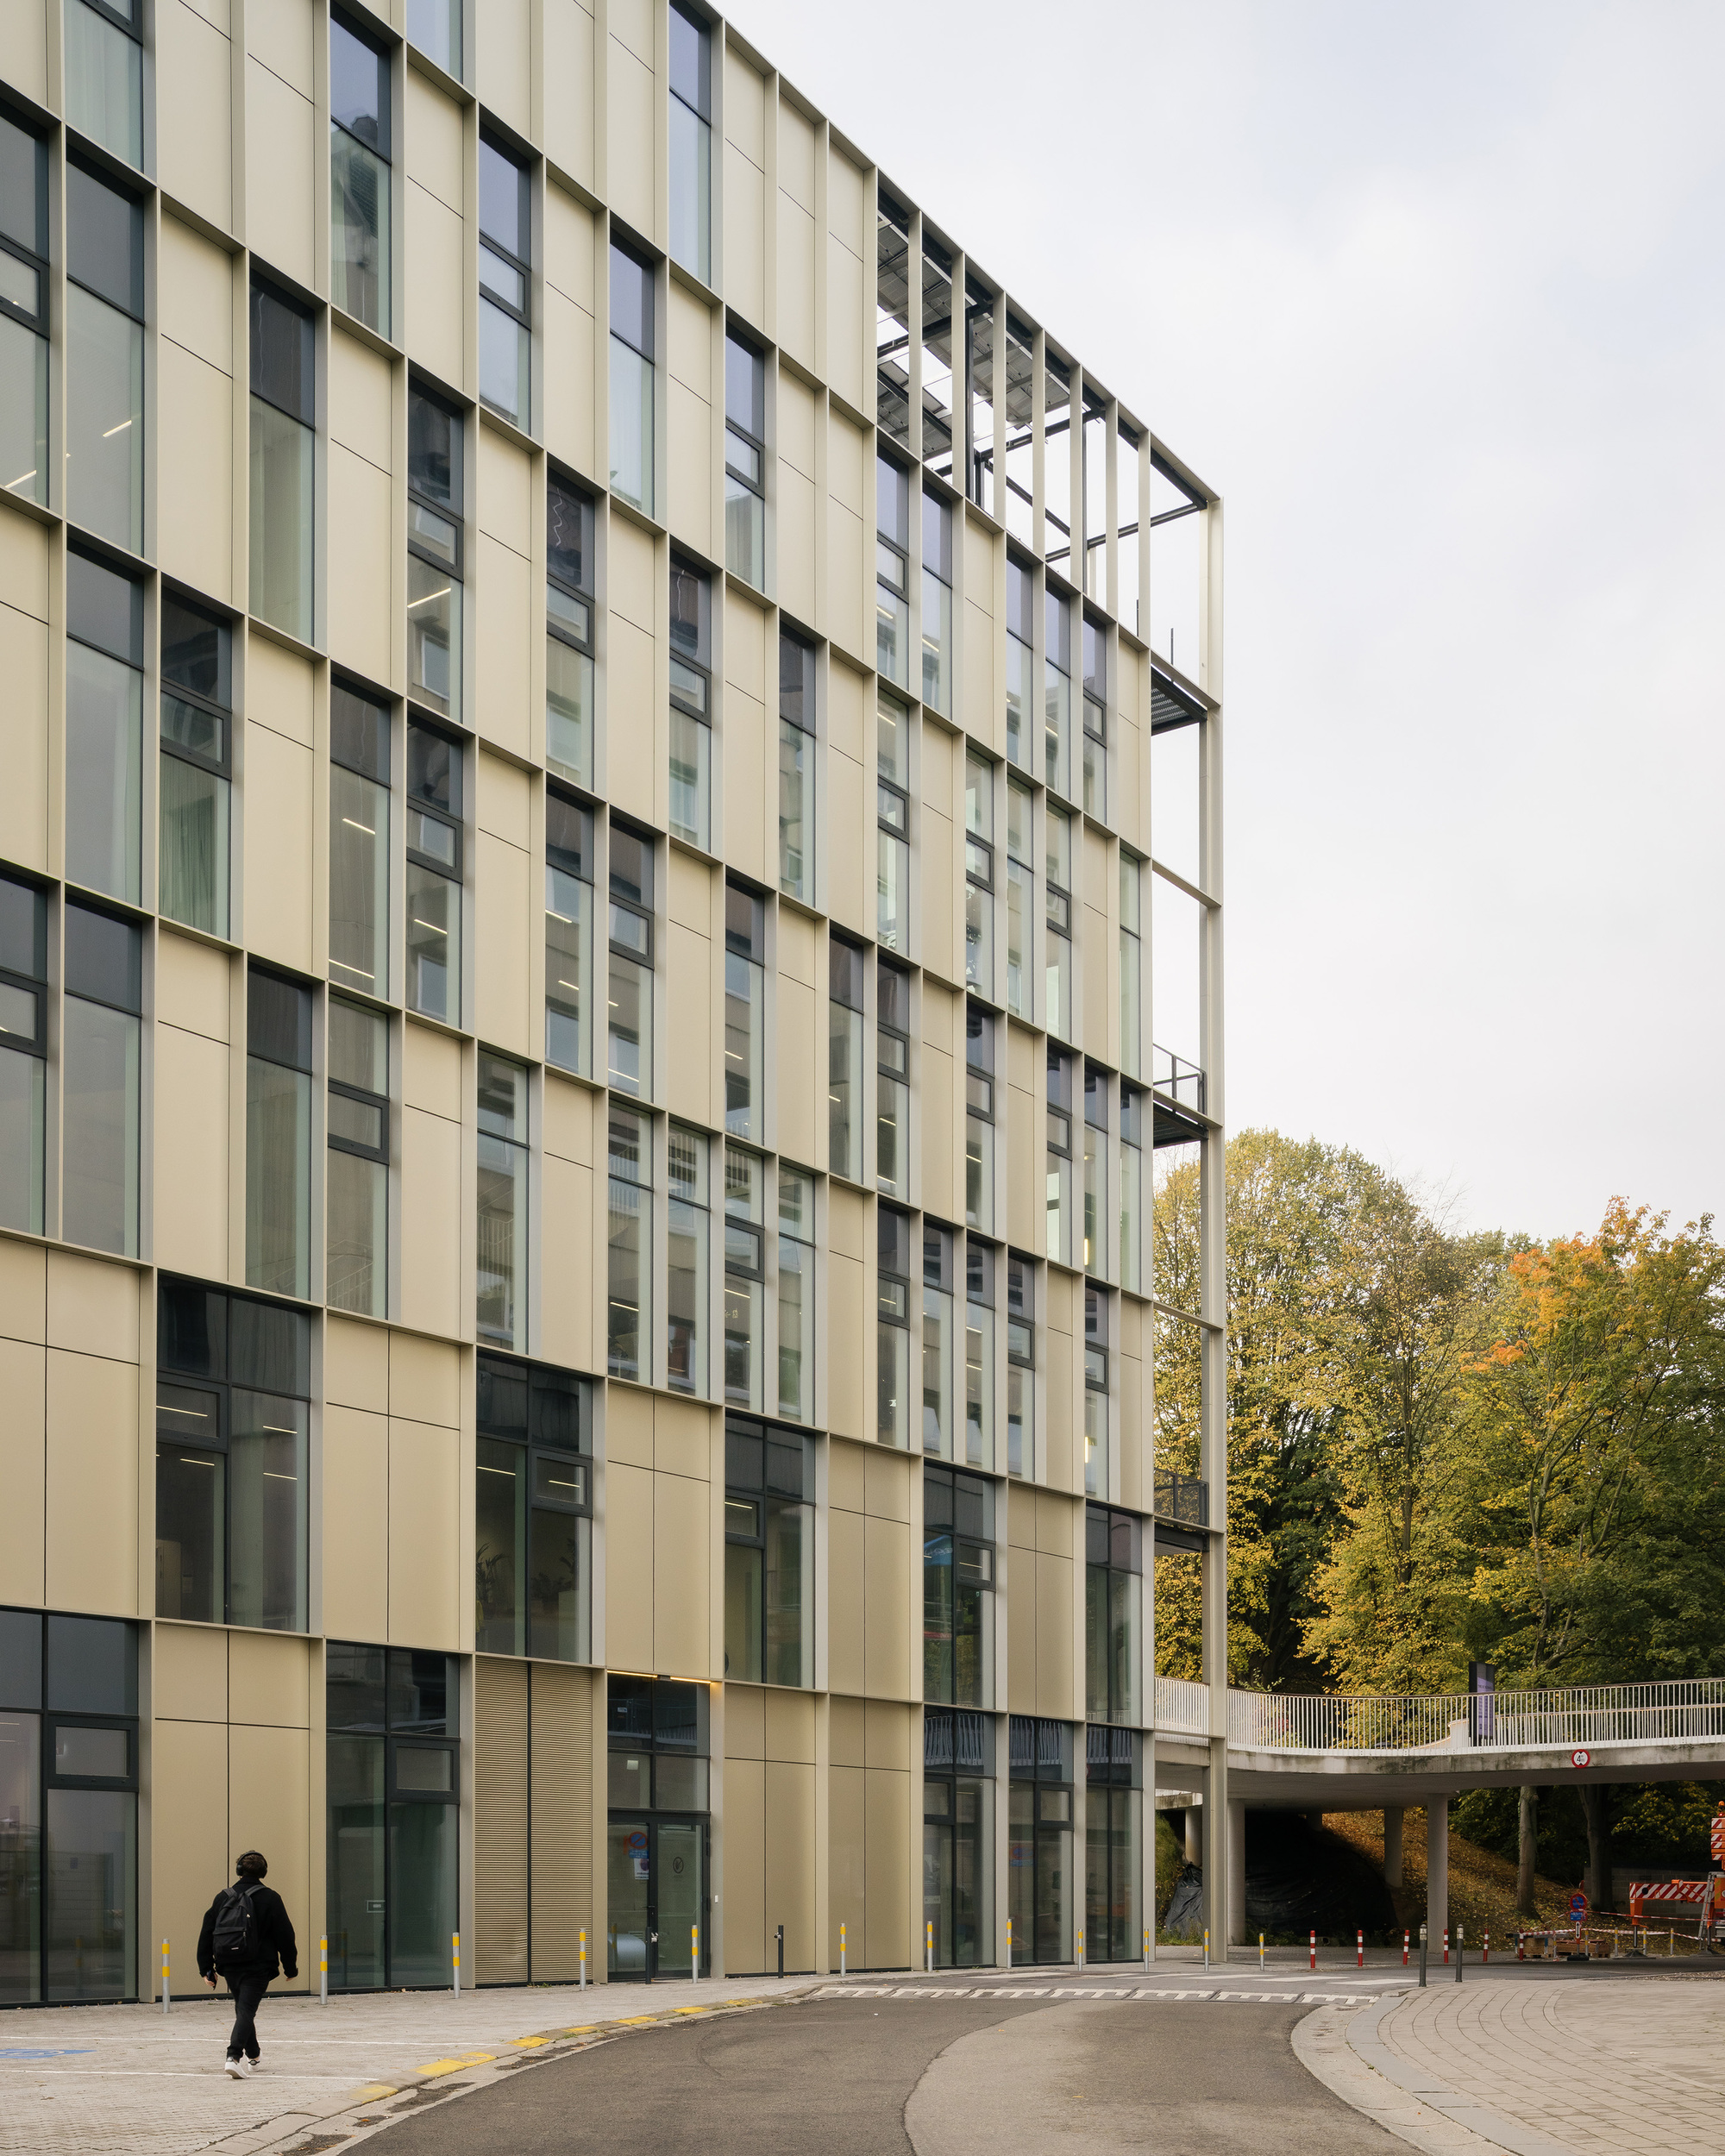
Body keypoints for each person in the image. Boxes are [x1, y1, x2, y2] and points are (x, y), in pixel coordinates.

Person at [197, 1851, 298, 2078]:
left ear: (239, 1871)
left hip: (229, 1963)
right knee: (245, 2010)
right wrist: (290, 1967)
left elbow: (207, 1933)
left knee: (243, 2008)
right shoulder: (271, 1897)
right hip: (258, 1966)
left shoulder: (223, 1897)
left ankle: (253, 2053)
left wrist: (207, 1968)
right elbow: (285, 1934)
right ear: (263, 1872)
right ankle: (233, 2057)